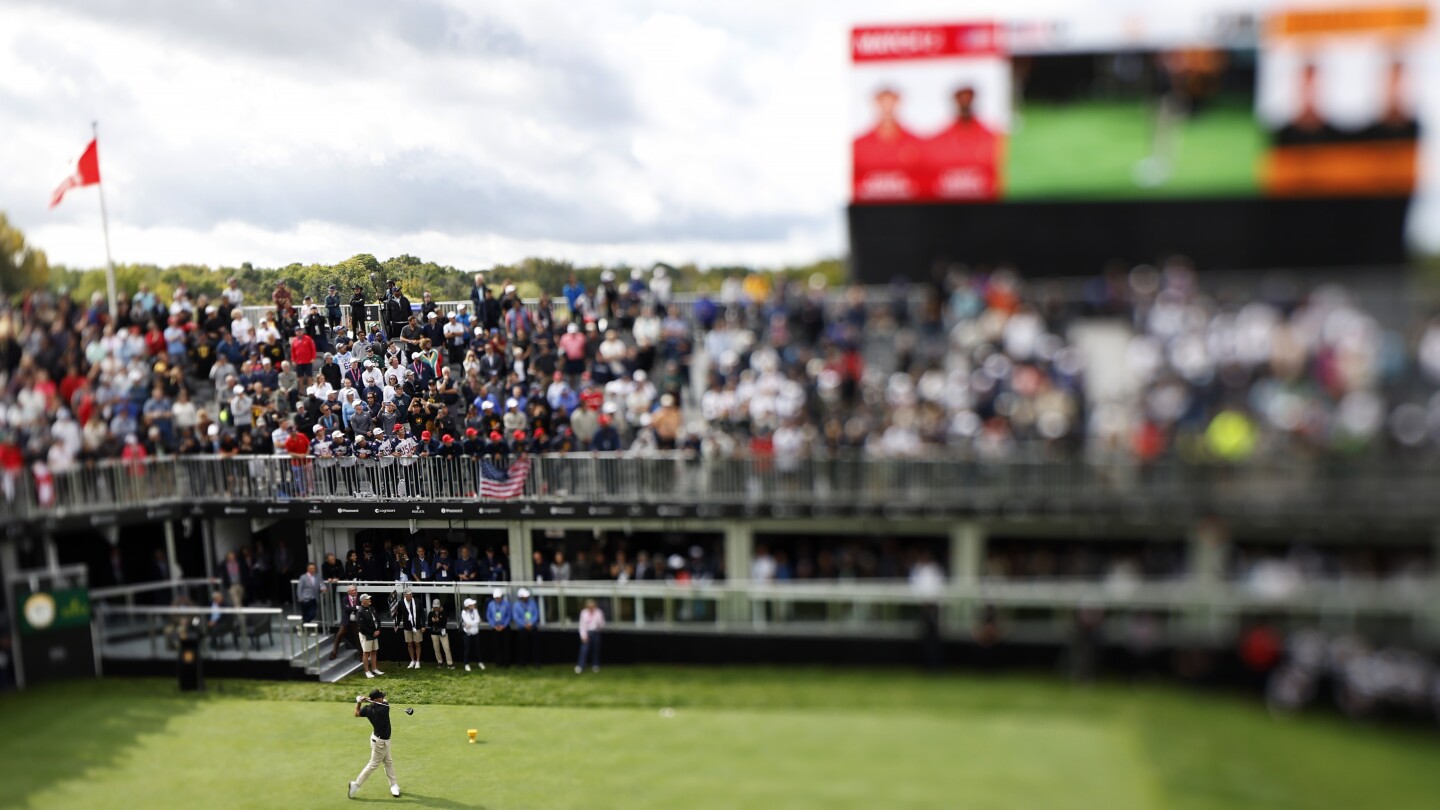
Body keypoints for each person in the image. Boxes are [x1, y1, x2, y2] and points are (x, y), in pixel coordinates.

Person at [349, 688, 401, 799]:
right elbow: (385, 701)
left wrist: (359, 702)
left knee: (388, 762)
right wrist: (368, 699)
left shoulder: (368, 709)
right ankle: (356, 785)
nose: (383, 698)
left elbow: (357, 713)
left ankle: (394, 785)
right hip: (381, 742)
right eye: (380, 697)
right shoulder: (384, 708)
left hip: (377, 738)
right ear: (377, 699)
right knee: (373, 765)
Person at [395, 588, 424, 669]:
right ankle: (412, 660)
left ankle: (418, 661)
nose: (411, 595)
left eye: (411, 594)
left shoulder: (417, 601)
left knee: (417, 643)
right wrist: (397, 624)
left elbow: (422, 614)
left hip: (417, 626)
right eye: (409, 594)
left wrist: (423, 625)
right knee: (410, 644)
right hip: (407, 627)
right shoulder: (401, 603)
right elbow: (399, 615)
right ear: (405, 595)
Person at [512, 587, 540, 667]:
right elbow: (516, 617)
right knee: (522, 646)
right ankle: (521, 663)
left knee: (535, 646)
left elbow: (536, 614)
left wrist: (531, 623)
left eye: (527, 596)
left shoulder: (532, 603)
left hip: (532, 627)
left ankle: (536, 662)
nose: (526, 597)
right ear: (520, 597)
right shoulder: (516, 605)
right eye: (524, 596)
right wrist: (524, 625)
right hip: (522, 629)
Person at [357, 593, 384, 678]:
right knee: (366, 653)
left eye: (369, 598)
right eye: (368, 599)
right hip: (366, 635)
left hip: (375, 633)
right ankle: (367, 671)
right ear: (363, 601)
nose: (370, 600)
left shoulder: (372, 608)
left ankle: (374, 669)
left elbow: (378, 620)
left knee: (374, 651)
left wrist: (378, 629)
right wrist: (372, 632)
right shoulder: (360, 611)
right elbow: (362, 627)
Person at [331, 584, 361, 661]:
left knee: (358, 638)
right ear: (349, 592)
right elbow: (346, 608)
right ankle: (334, 653)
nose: (355, 591)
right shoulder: (345, 598)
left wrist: (353, 608)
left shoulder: (359, 598)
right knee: (339, 635)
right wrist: (356, 607)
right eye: (353, 590)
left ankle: (361, 655)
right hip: (346, 620)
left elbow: (360, 608)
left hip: (355, 621)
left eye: (355, 590)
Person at [576, 598, 605, 673]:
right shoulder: (583, 613)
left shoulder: (599, 612)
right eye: (589, 606)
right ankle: (580, 666)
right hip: (587, 633)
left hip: (596, 632)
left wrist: (599, 622)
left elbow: (602, 624)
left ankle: (595, 665)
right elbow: (582, 625)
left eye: (592, 606)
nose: (591, 608)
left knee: (596, 650)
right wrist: (583, 635)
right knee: (584, 650)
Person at [485, 587, 511, 668]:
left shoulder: (506, 604)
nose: (497, 599)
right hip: (495, 628)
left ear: (501, 596)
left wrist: (503, 626)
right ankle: (498, 662)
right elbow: (488, 616)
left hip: (505, 628)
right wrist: (494, 626)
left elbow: (509, 616)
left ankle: (506, 662)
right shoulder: (491, 604)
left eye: (498, 597)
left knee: (506, 645)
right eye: (496, 597)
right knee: (497, 646)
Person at [459, 597, 485, 672]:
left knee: (478, 648)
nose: (474, 605)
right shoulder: (463, 612)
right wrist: (475, 621)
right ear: (468, 606)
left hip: (476, 632)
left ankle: (480, 662)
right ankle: (466, 664)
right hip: (467, 633)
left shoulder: (475, 610)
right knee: (467, 649)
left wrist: (471, 622)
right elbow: (469, 621)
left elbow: (475, 621)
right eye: (472, 604)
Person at [427, 600, 454, 669]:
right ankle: (440, 662)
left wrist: (438, 621)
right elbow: (429, 624)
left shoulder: (443, 612)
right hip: (434, 633)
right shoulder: (430, 613)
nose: (436, 608)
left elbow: (444, 623)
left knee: (446, 648)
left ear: (439, 606)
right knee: (436, 649)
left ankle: (450, 663)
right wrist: (432, 621)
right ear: (433, 606)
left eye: (437, 607)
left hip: (443, 633)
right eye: (435, 607)